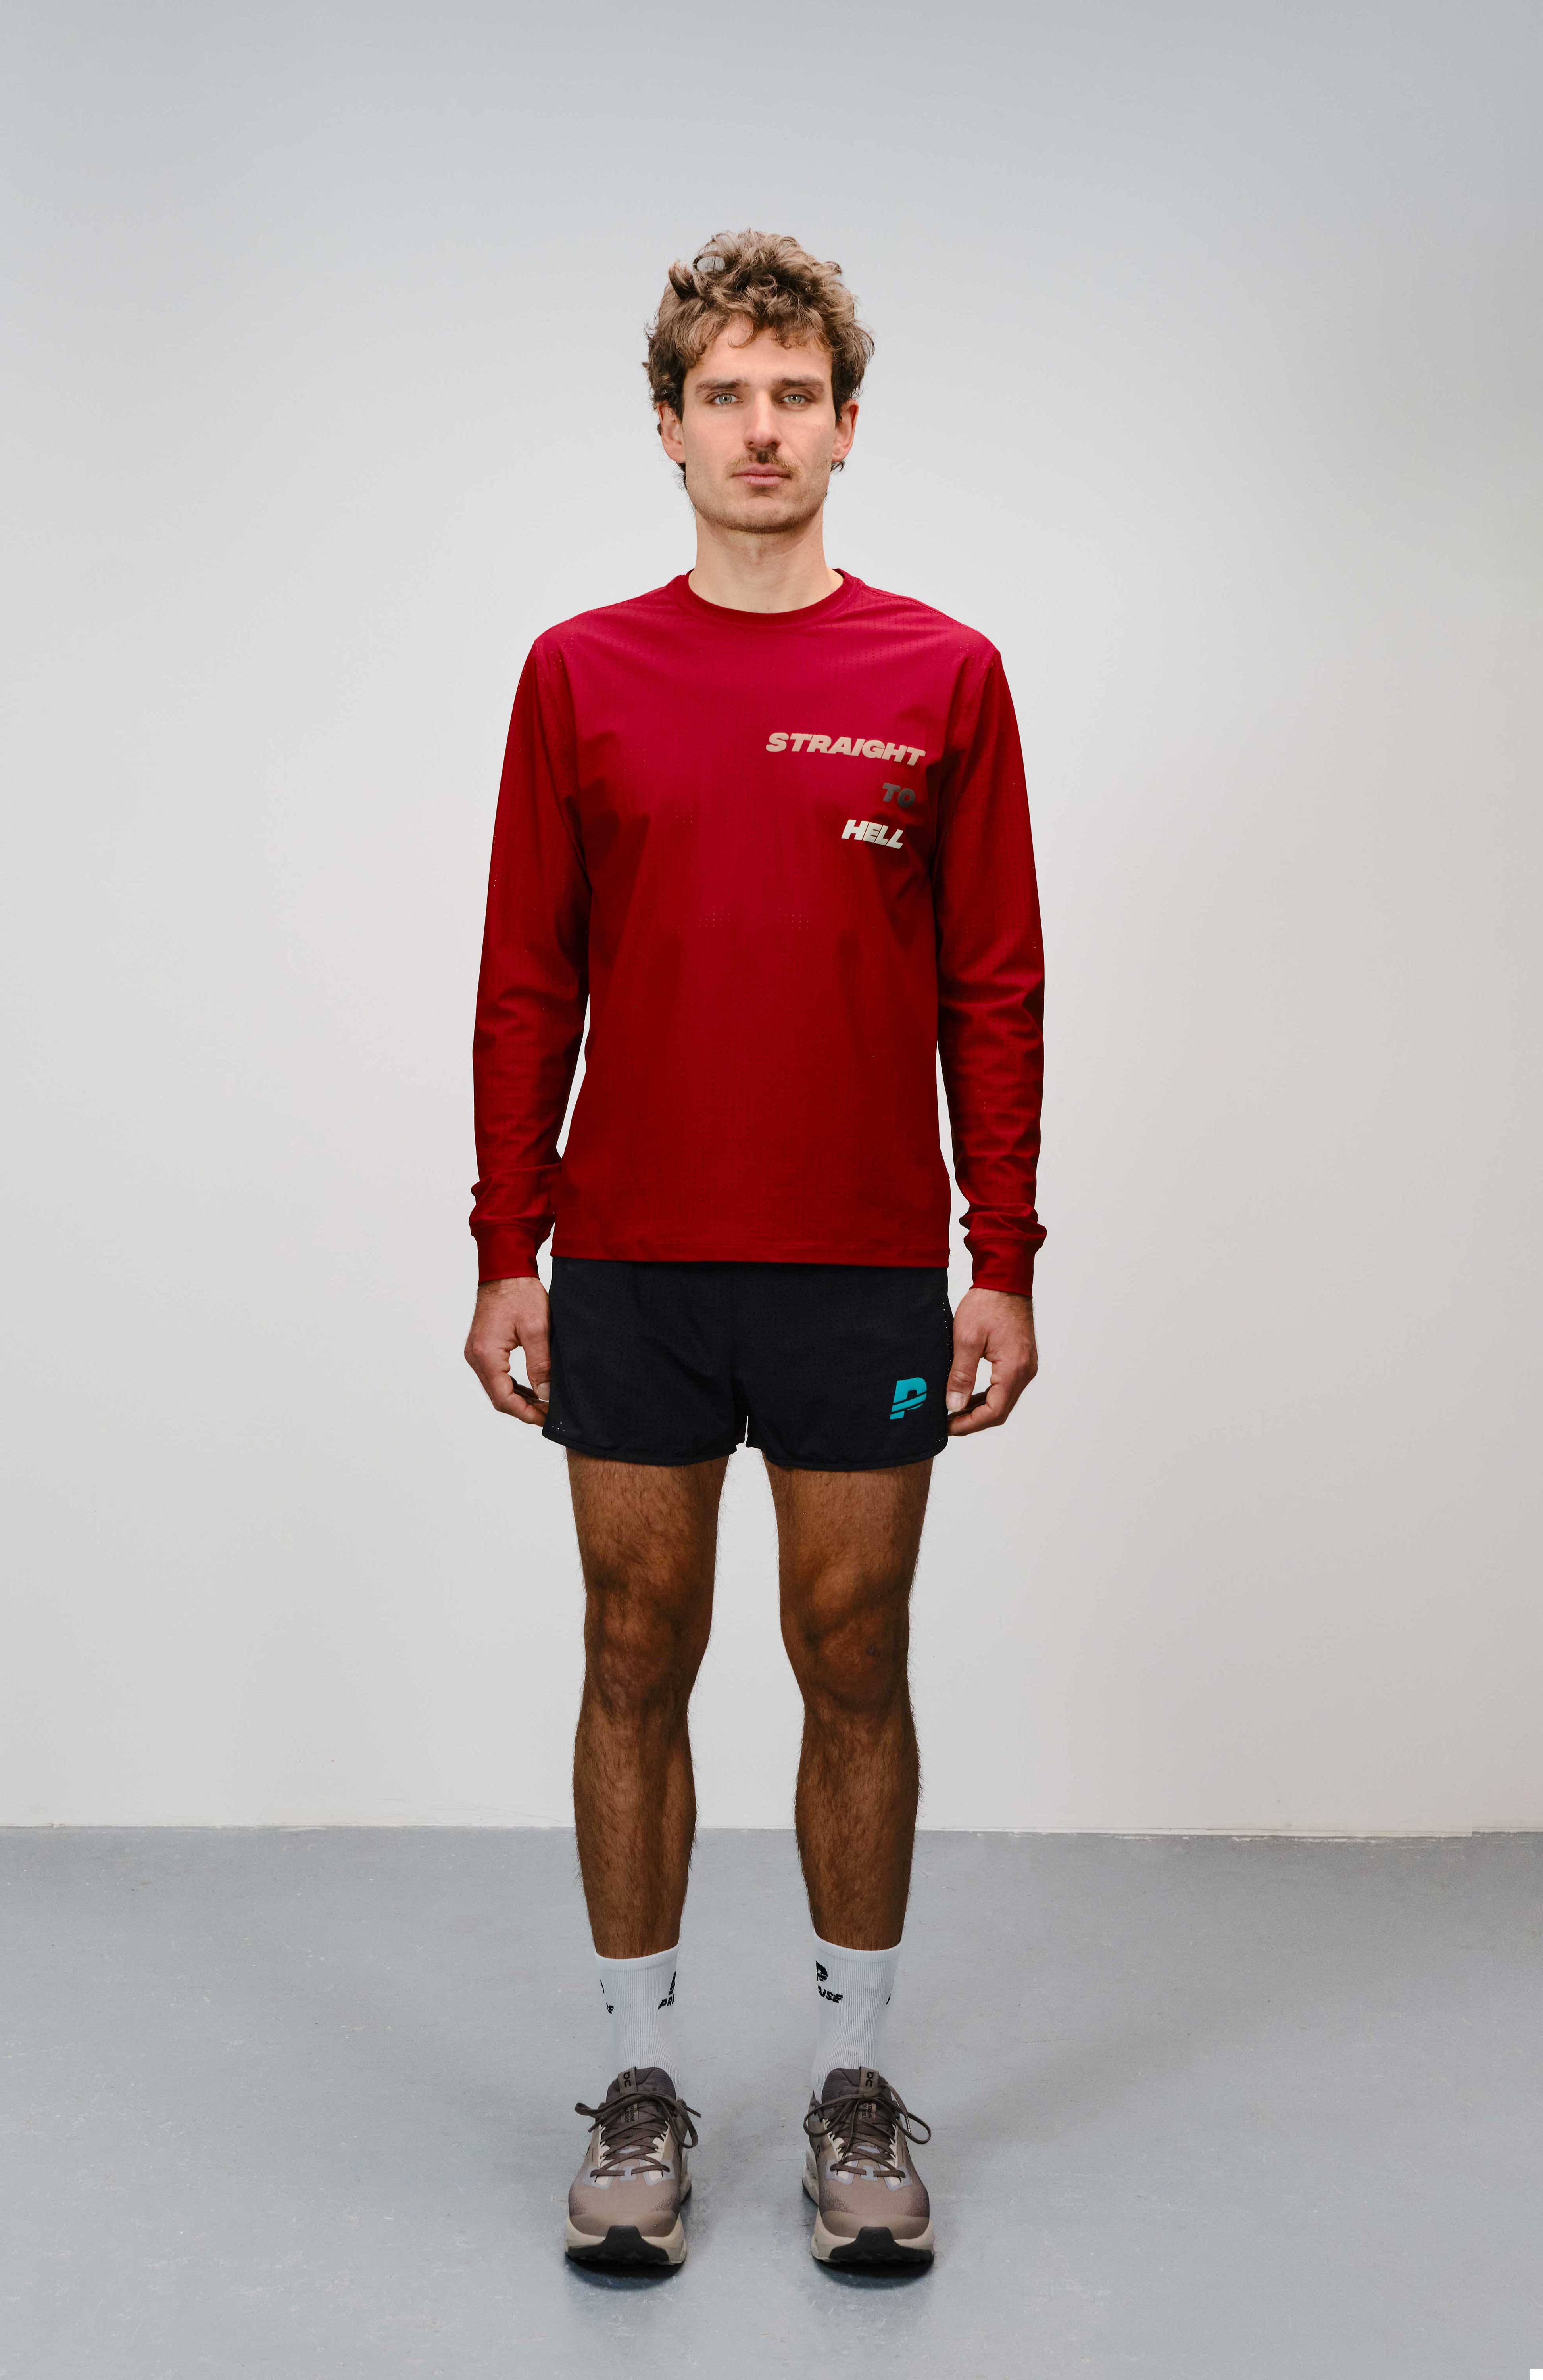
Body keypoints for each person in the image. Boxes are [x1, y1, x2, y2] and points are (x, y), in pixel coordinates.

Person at [464, 229, 1044, 2270]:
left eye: (795, 394)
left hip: (859, 1265)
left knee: (853, 1658)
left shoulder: (942, 675)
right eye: (726, 394)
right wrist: (507, 1242)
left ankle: (852, 2086)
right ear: (670, 427)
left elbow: (995, 988)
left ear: (848, 424)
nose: (762, 429)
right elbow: (526, 982)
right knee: (633, 1653)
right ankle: (638, 2081)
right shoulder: (579, 673)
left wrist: (1002, 1254)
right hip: (630, 1260)